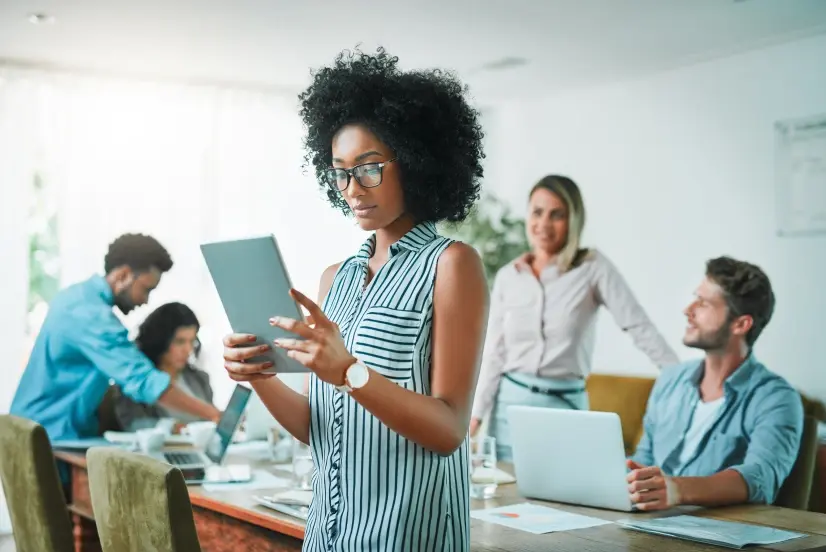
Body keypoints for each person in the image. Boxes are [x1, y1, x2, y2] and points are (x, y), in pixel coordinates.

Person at [222, 48, 488, 552]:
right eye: (340, 172)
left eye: (369, 168)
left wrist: (349, 371)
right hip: (329, 534)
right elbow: (316, 427)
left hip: (408, 536)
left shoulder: (452, 265)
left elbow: (450, 428)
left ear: (415, 162)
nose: (352, 188)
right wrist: (258, 374)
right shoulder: (333, 280)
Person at [470, 175, 679, 460]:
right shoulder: (509, 276)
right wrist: (476, 415)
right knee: (505, 501)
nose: (544, 224)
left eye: (557, 215)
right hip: (508, 412)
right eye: (537, 212)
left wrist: (682, 378)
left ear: (574, 220)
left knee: (565, 501)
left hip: (565, 410)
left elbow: (638, 325)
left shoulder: (593, 268)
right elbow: (494, 350)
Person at [627, 256, 803, 510]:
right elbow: (643, 459)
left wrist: (676, 490)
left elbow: (760, 477)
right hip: (646, 521)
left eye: (704, 303)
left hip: (713, 535)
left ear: (741, 324)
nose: (688, 310)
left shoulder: (776, 398)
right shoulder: (670, 381)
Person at [10, 234, 220, 445]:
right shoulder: (90, 315)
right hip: (46, 435)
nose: (146, 301)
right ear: (123, 276)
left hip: (42, 431)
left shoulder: (76, 298)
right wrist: (214, 415)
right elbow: (145, 382)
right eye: (146, 289)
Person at [111, 302, 215, 432]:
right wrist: (170, 428)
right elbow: (133, 424)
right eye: (180, 341)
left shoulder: (200, 379)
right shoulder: (137, 382)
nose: (188, 350)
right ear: (160, 340)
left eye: (192, 341)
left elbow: (214, 422)